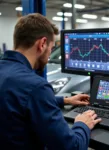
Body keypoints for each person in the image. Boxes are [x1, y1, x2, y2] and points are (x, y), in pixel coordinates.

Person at [0, 13, 101, 150]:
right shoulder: (36, 86)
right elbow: (71, 147)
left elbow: (17, 100)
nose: (49, 55)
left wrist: (64, 100)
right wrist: (82, 124)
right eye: (51, 48)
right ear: (42, 44)